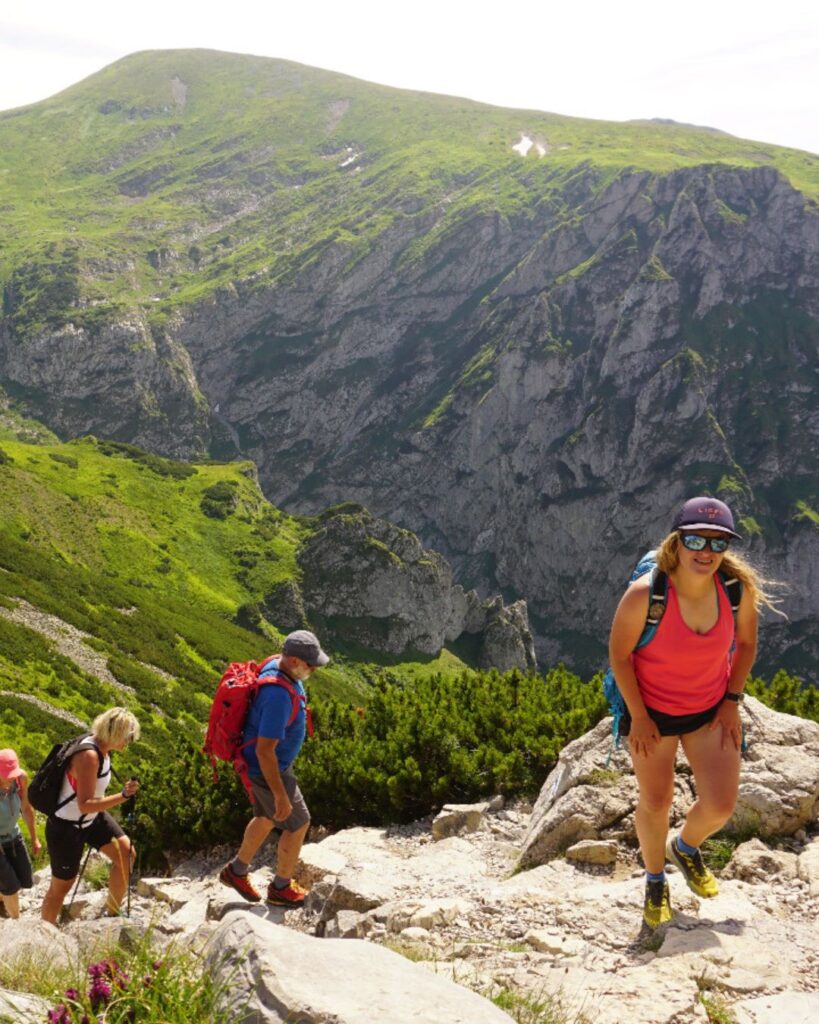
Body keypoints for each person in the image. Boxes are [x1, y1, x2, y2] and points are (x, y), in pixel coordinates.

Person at [609, 496, 778, 930]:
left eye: (718, 542)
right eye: (696, 540)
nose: (706, 551)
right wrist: (639, 717)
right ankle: (654, 880)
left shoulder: (736, 591)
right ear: (677, 541)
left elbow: (747, 645)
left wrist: (732, 701)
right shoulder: (646, 595)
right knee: (656, 800)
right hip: (653, 714)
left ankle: (684, 848)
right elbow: (620, 656)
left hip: (709, 709)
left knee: (720, 806)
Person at [219, 629, 329, 908]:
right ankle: (281, 887)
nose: (314, 669)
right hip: (269, 769)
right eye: (310, 664)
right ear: (293, 661)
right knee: (298, 822)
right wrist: (280, 794)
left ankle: (237, 871)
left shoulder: (276, 665)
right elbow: (265, 750)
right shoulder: (278, 695)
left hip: (264, 765)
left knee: (267, 817)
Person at [41, 708, 140, 924]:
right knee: (61, 888)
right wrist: (122, 796)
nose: (129, 741)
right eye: (128, 736)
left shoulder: (103, 749)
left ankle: (112, 914)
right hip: (66, 827)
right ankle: (44, 932)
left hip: (91, 819)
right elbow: (85, 805)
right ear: (115, 733)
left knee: (126, 854)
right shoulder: (89, 756)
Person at [0, 748, 41, 919]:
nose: (10, 778)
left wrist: (35, 838)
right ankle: (17, 923)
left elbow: (26, 808)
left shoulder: (20, 779)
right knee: (10, 884)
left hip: (12, 834)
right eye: (6, 775)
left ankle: (2, 899)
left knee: (25, 879)